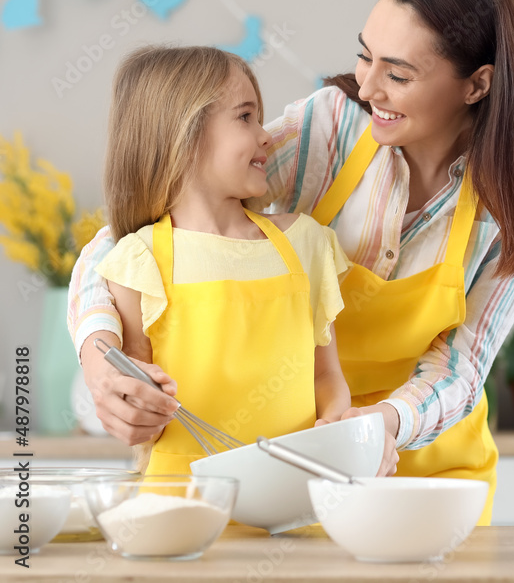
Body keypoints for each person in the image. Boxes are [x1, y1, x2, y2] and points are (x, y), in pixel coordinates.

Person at [70, 0, 514, 525]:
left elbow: (463, 361)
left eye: (398, 74)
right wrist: (99, 358)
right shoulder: (334, 124)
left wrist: (378, 424)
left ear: (476, 85)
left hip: (434, 481)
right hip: (301, 471)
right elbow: (133, 234)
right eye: (364, 55)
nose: (367, 85)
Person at [86, 45, 351, 475]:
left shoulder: (306, 244)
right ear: (183, 134)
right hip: (178, 506)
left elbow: (326, 376)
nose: (266, 135)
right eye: (245, 117)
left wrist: (335, 434)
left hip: (293, 492)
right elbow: (138, 391)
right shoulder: (139, 260)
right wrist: (140, 408)